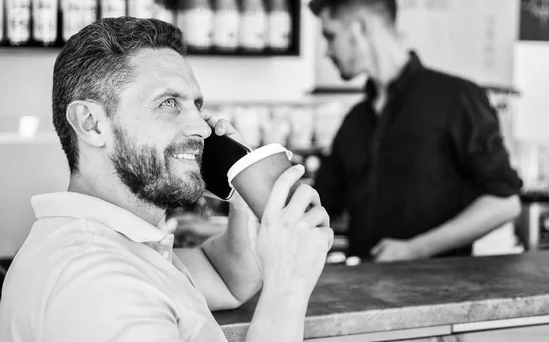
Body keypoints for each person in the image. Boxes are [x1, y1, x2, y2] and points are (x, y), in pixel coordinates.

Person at [0, 17, 333, 341]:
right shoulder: (98, 283)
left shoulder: (119, 244)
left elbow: (228, 280)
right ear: (91, 123)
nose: (202, 128)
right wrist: (288, 286)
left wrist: (242, 183)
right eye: (169, 102)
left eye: (196, 105)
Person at [309, 0, 522, 262]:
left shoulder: (457, 98)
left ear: (360, 29)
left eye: (330, 36)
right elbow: (318, 205)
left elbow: (505, 202)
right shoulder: (354, 121)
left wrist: (415, 249)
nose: (327, 51)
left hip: (441, 296)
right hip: (364, 293)